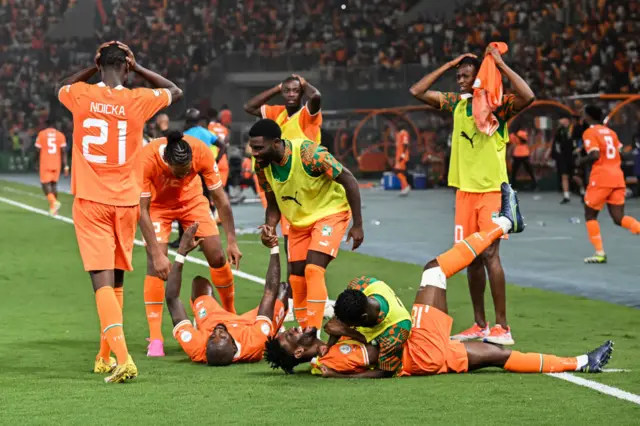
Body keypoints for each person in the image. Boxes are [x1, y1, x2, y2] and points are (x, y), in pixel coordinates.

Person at [265, 183, 614, 377]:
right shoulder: (335, 358)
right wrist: (353, 332)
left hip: (427, 357)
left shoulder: (327, 352)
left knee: (497, 356)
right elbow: (382, 356)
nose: (295, 328)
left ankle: (583, 362)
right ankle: (506, 223)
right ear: (297, 351)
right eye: (291, 335)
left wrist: (341, 329)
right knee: (434, 269)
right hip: (419, 349)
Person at [58, 40, 182, 383]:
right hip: (127, 203)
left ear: (99, 66)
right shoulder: (139, 98)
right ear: (126, 68)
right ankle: (104, 354)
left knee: (100, 281)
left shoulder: (80, 94)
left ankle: (124, 358)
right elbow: (175, 90)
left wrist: (92, 64)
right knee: (116, 280)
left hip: (92, 201)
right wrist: (138, 67)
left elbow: (60, 86)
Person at [409, 45, 535, 345]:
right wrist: (448, 63)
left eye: (467, 75)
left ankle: (502, 328)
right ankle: (480, 325)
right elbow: (417, 90)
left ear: (480, 75)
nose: (461, 80)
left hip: (492, 190)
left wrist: (500, 66)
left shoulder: (496, 107)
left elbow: (528, 97)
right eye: (459, 75)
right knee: (471, 259)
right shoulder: (456, 104)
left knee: (490, 254)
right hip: (465, 193)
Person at [249, 119, 363, 333]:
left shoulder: (310, 154)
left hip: (330, 213)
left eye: (258, 148)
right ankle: (303, 335)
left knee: (313, 269)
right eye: (252, 148)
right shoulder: (262, 166)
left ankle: (313, 335)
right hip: (299, 222)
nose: (254, 153)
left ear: (275, 143)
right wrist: (269, 227)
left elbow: (349, 180)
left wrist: (358, 224)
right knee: (296, 279)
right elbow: (273, 203)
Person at [138, 130, 242, 357]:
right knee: (155, 266)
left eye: (188, 172)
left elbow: (221, 200)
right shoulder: (146, 159)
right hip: (158, 207)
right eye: (179, 173)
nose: (183, 176)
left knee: (217, 256)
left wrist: (232, 241)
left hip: (192, 201)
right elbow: (142, 210)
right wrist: (157, 254)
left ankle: (230, 315)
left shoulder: (201, 152)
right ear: (167, 160)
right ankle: (155, 337)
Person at [166, 223, 288, 366]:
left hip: (212, 320)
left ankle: (215, 315)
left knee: (199, 283)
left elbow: (172, 299)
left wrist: (181, 253)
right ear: (234, 346)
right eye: (222, 336)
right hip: (249, 325)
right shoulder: (255, 341)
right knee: (283, 290)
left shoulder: (197, 346)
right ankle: (275, 328)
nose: (217, 332)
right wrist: (274, 246)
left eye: (212, 338)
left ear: (206, 348)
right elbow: (269, 292)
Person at [244, 74, 323, 255]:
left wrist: (304, 83)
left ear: (302, 92)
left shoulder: (307, 113)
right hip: (284, 176)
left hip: (307, 176)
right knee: (290, 236)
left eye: (296, 91)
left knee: (307, 237)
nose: (291, 94)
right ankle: (292, 280)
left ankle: (299, 277)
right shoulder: (277, 112)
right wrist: (277, 88)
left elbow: (316, 97)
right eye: (287, 91)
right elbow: (249, 107)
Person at [580, 105, 640, 264]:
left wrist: (580, 161)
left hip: (601, 177)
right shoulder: (611, 132)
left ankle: (599, 253)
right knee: (618, 217)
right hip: (617, 176)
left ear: (588, 116)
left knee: (590, 214)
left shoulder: (590, 132)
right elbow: (620, 152)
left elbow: (594, 155)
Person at [34, 119, 68, 215]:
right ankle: (54, 209)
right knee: (53, 185)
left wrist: (36, 162)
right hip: (56, 163)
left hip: (45, 163)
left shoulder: (42, 134)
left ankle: (53, 202)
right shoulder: (61, 135)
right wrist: (66, 166)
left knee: (45, 185)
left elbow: (37, 150)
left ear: (46, 125)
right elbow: (64, 151)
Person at [394, 125, 411, 196]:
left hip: (402, 156)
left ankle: (406, 186)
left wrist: (403, 155)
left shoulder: (404, 133)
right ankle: (403, 188)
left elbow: (405, 144)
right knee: (400, 172)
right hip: (399, 156)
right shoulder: (399, 134)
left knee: (398, 171)